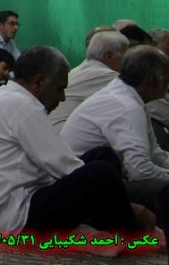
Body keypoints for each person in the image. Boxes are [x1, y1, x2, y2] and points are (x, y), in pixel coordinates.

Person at [0, 45, 152, 236]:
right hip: (18, 217)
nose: (62, 98)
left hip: (14, 204)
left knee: (101, 155)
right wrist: (128, 205)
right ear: (38, 82)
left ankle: (110, 222)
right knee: (101, 174)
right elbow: (65, 166)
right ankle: (134, 233)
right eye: (60, 89)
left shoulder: (5, 96)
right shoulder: (21, 105)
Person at [61, 46, 169, 226]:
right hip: (82, 190)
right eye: (167, 78)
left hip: (103, 176)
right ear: (153, 80)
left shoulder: (130, 97)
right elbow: (140, 171)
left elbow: (155, 154)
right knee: (162, 190)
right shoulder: (126, 106)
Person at [47, 29, 129, 131]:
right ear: (110, 57)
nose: (129, 60)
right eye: (127, 56)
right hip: (63, 134)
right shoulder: (104, 75)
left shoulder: (84, 68)